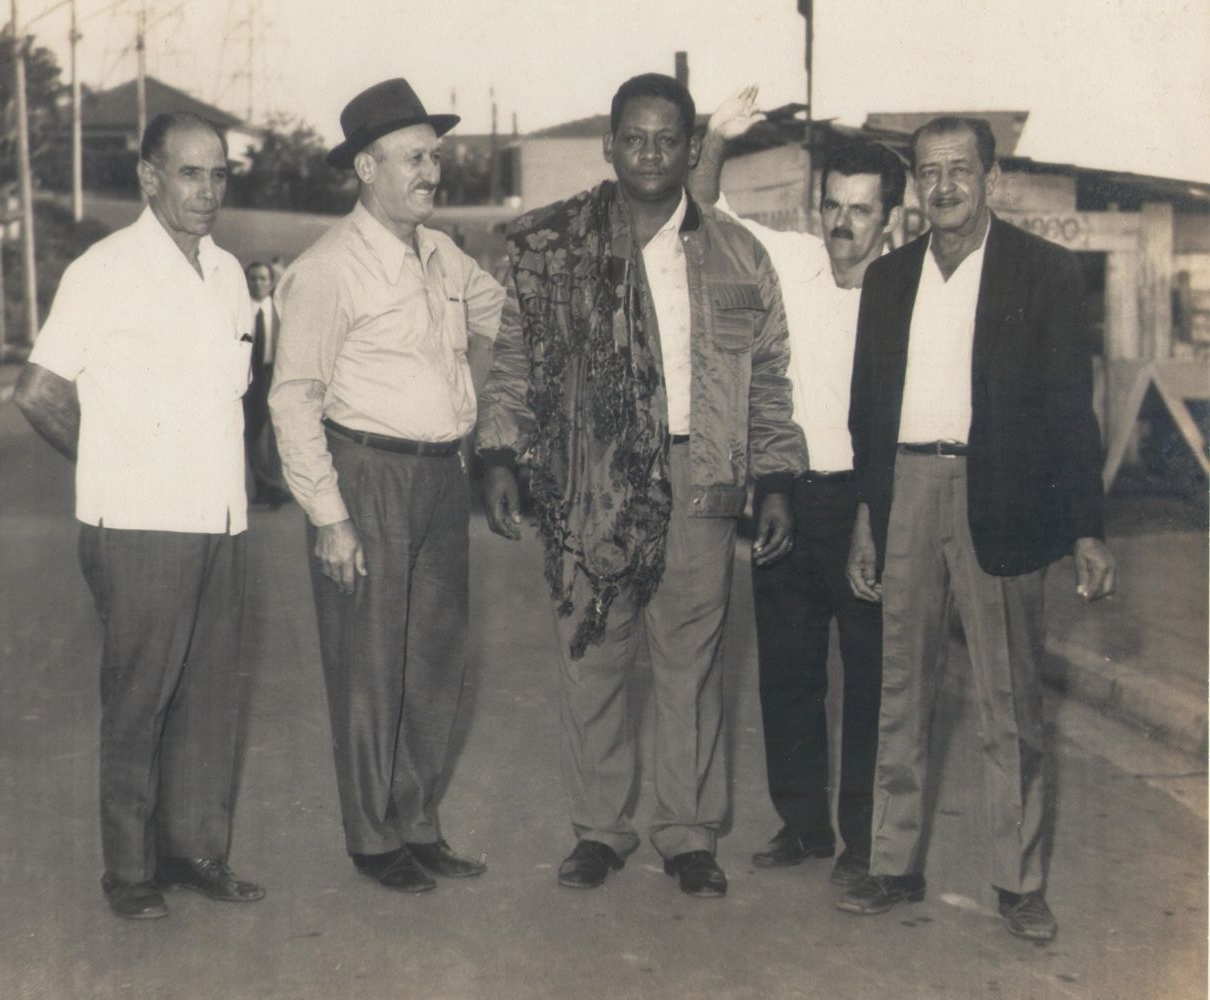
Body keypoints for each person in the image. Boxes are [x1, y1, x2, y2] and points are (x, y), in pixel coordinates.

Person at [475, 73, 806, 898]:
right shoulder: (560, 247)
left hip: (703, 475)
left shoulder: (740, 254)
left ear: (693, 148)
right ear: (610, 145)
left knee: (690, 660)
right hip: (591, 476)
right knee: (594, 650)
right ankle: (599, 829)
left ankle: (688, 834)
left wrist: (775, 479)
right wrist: (501, 455)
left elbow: (768, 377)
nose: (651, 152)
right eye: (635, 137)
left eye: (668, 139)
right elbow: (516, 358)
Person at [836, 117, 1116, 942]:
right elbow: (867, 412)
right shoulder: (888, 280)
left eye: (962, 168)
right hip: (907, 490)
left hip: (1002, 498)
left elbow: (1072, 409)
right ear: (915, 185)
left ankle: (1019, 883)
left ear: (993, 176)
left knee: (1010, 702)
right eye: (931, 172)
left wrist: (1087, 531)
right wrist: (867, 515)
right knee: (901, 691)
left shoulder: (1044, 270)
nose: (946, 185)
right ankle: (892, 866)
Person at [14, 111, 265, 922]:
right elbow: (39, 393)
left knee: (208, 698)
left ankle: (195, 854)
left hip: (220, 520)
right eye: (190, 172)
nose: (207, 189)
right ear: (150, 177)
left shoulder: (227, 272)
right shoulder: (105, 269)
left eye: (219, 173)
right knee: (139, 700)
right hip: (141, 524)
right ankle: (129, 873)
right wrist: (115, 465)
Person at [270, 78, 503, 893]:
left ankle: (417, 820)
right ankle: (372, 838)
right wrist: (329, 518)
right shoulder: (327, 269)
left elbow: (503, 319)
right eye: (414, 157)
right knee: (371, 663)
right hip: (365, 475)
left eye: (435, 155)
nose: (431, 171)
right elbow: (293, 398)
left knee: (435, 659)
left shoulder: (441, 253)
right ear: (366, 167)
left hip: (443, 478)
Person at [699, 87, 906, 886]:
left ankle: (862, 840)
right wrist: (717, 134)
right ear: (818, 208)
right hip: (787, 494)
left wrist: (877, 516)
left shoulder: (906, 295)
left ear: (890, 216)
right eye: (834, 206)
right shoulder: (793, 263)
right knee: (787, 672)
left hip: (868, 505)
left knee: (868, 678)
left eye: (862, 209)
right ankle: (804, 824)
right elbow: (705, 209)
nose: (844, 223)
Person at [243, 260, 291, 506]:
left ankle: (277, 484)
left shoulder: (281, 309)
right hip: (249, 376)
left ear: (271, 283)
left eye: (263, 278)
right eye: (253, 278)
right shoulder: (240, 310)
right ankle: (265, 485)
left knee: (275, 433)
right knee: (252, 432)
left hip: (274, 374)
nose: (258, 283)